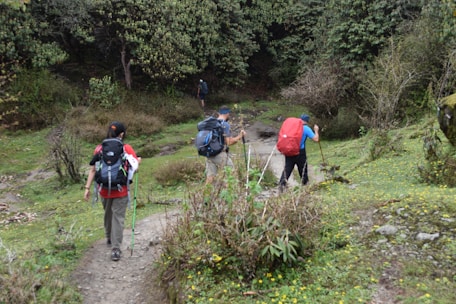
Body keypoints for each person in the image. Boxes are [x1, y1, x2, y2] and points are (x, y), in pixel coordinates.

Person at [84, 122, 141, 261]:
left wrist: (87, 188)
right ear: (122, 134)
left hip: (103, 189)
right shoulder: (126, 148)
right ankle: (116, 248)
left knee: (108, 213)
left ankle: (109, 237)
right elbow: (135, 168)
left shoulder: (99, 148)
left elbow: (93, 169)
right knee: (118, 217)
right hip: (121, 190)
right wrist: (138, 160)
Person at [205, 105, 246, 184]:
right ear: (227, 114)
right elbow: (229, 142)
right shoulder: (224, 124)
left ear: (218, 113)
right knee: (231, 173)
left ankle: (205, 194)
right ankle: (230, 192)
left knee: (211, 177)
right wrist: (240, 136)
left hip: (209, 153)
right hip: (219, 154)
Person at [279, 114, 319, 191]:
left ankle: (281, 185)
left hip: (289, 150)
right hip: (300, 152)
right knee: (303, 169)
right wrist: (316, 130)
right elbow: (316, 139)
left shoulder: (292, 127)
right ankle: (305, 186)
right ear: (307, 121)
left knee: (287, 168)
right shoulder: (306, 128)